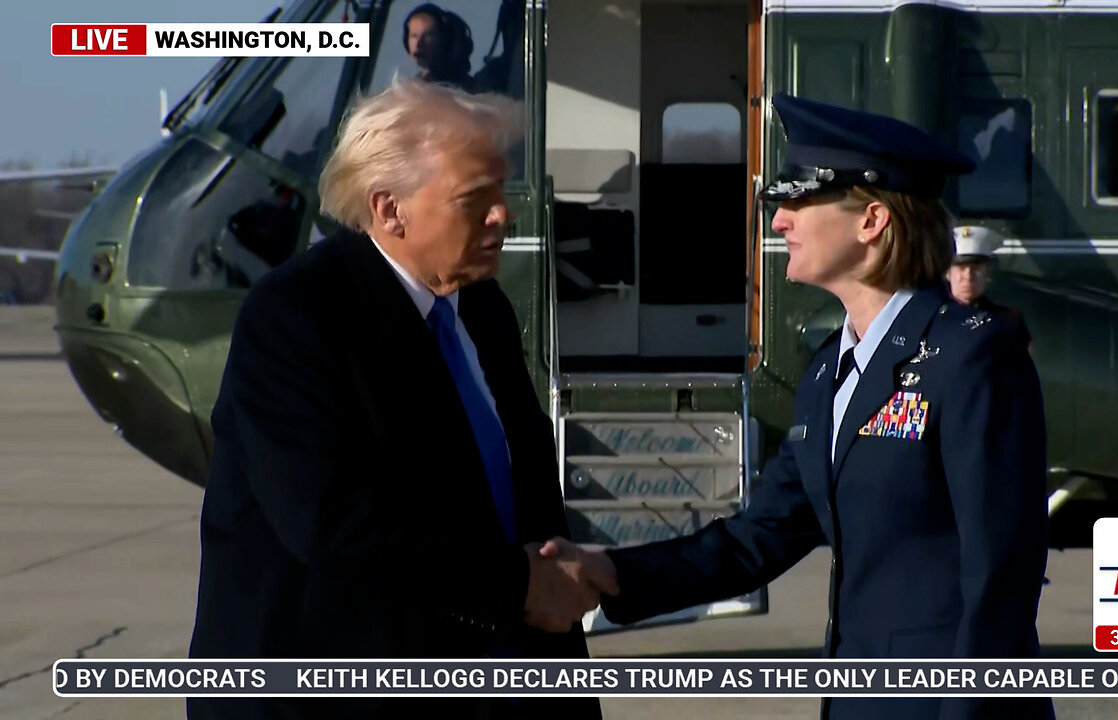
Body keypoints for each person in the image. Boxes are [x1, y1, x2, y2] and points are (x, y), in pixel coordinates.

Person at [546, 95, 1054, 720]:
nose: (780, 219)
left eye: (799, 199)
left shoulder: (973, 357)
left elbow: (1002, 570)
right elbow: (757, 539)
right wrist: (607, 571)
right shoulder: (828, 372)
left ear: (872, 220)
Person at [187, 78, 607, 720]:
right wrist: (518, 588)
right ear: (389, 209)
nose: (503, 213)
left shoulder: (483, 308)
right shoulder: (298, 316)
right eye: (475, 198)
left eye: (500, 189)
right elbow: (333, 524)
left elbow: (521, 505)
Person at [948, 225, 1032, 348]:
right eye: (961, 268)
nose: (968, 276)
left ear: (988, 272)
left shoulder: (1008, 322)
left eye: (976, 268)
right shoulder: (930, 319)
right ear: (947, 272)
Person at [404, 3, 476, 91]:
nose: (418, 43)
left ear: (446, 41)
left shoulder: (469, 92)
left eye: (428, 36)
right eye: (414, 36)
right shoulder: (407, 90)